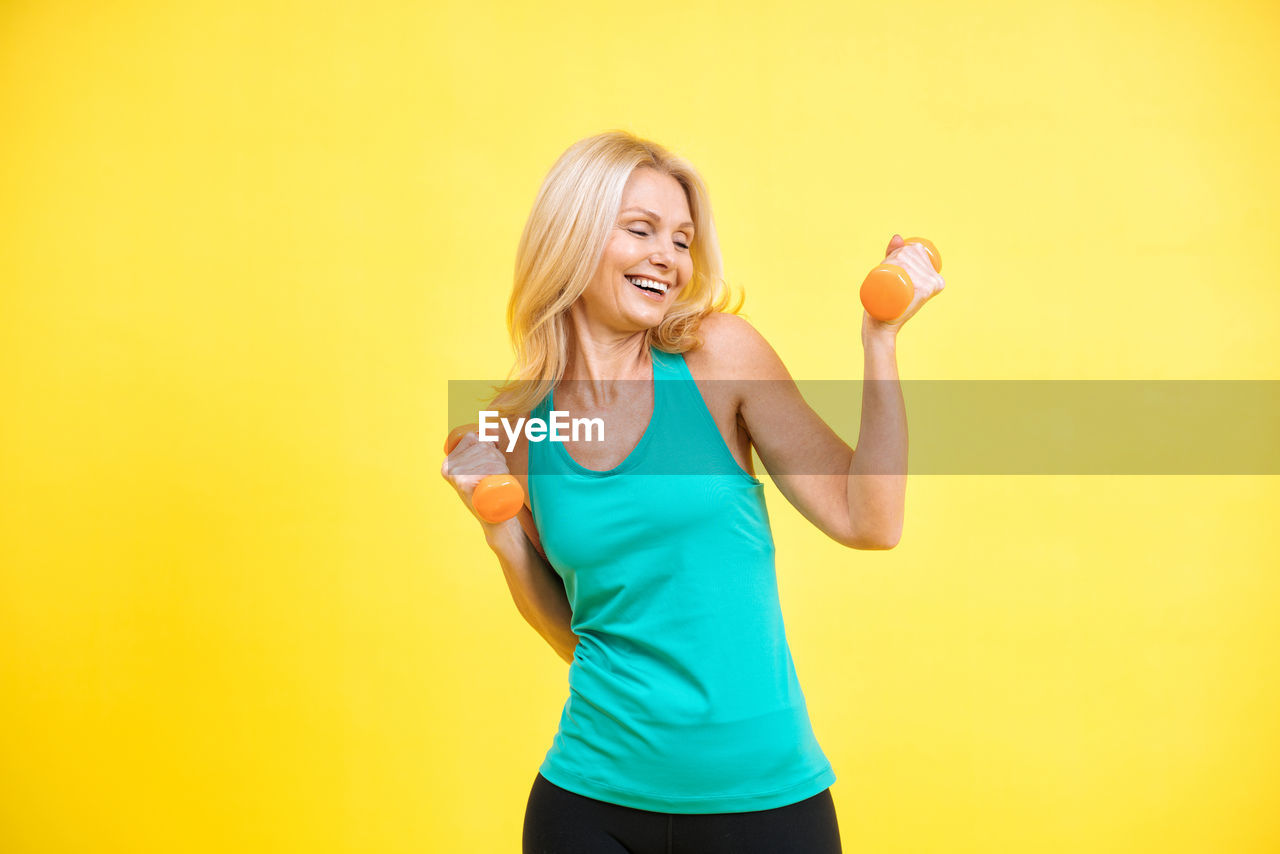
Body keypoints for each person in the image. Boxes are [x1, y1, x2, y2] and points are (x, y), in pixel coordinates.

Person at [441, 131, 944, 854]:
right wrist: (500, 533)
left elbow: (871, 520)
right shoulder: (525, 426)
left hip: (765, 803)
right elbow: (574, 630)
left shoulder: (718, 357)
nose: (668, 259)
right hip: (588, 803)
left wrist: (880, 340)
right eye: (640, 231)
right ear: (572, 236)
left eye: (681, 240)